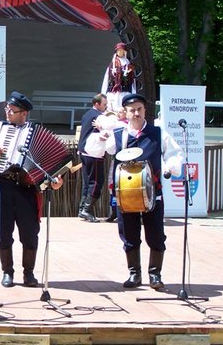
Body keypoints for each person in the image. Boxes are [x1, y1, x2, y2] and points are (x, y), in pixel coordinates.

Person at [85, 93, 183, 289]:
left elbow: (174, 154)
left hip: (152, 193)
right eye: (132, 110)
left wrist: (170, 167)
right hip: (125, 195)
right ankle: (134, 274)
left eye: (139, 109)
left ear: (145, 111)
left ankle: (155, 274)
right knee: (129, 234)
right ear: (126, 113)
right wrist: (101, 138)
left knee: (155, 234)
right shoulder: (119, 134)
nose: (136, 113)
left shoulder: (158, 133)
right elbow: (95, 151)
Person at [0, 91, 63, 288]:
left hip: (26, 188)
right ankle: (7, 272)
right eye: (7, 109)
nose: (8, 113)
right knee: (2, 231)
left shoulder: (36, 133)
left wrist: (55, 180)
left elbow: (49, 166)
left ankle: (29, 273)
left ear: (24, 114)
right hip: (1, 184)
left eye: (12, 111)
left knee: (30, 232)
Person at [77, 93, 108, 223]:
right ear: (97, 104)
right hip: (93, 153)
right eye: (104, 104)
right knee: (96, 182)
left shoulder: (87, 114)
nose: (106, 107)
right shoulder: (98, 117)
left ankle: (82, 209)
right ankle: (87, 210)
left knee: (88, 181)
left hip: (83, 151)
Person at [101, 42, 136, 112]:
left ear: (125, 52)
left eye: (122, 50)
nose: (120, 52)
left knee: (124, 111)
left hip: (125, 93)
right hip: (113, 93)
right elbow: (106, 80)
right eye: (118, 50)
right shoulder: (112, 65)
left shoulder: (129, 65)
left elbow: (132, 82)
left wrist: (133, 95)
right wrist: (103, 95)